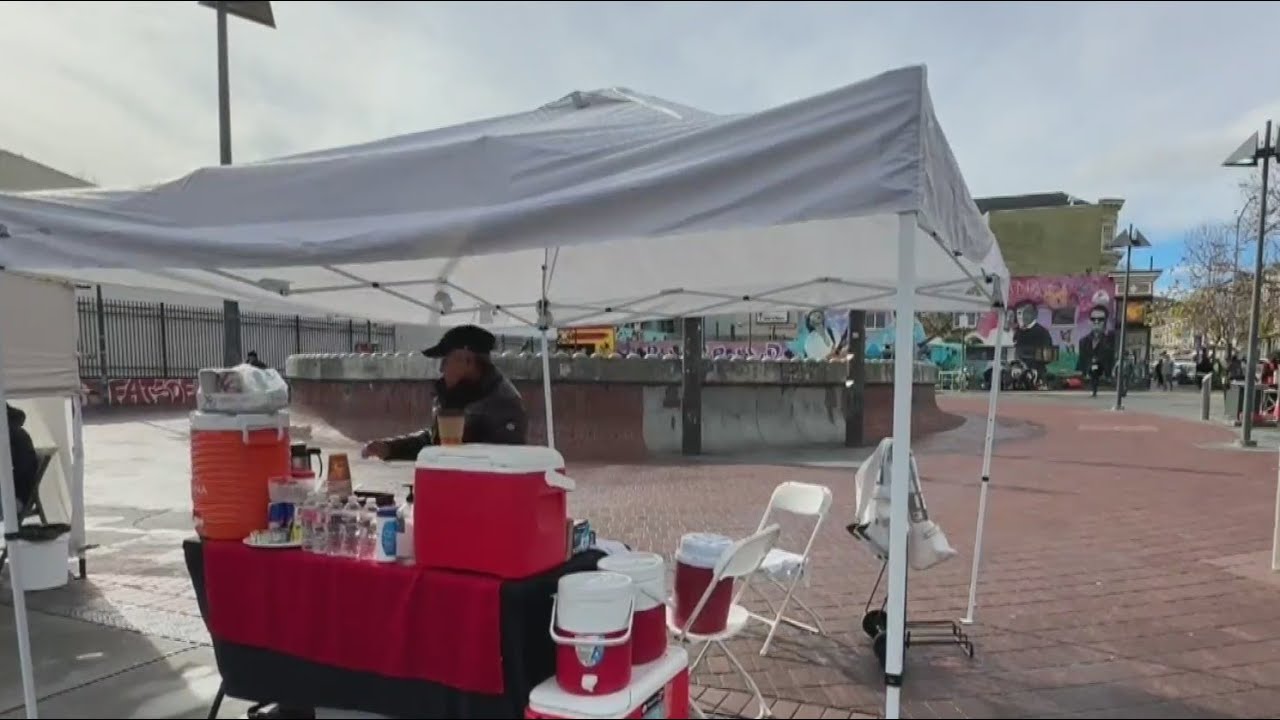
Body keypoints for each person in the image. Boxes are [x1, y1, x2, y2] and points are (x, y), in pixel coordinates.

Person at [361, 325, 527, 460]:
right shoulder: (457, 395)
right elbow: (436, 441)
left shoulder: (504, 404)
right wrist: (391, 448)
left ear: (467, 360)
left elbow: (503, 463)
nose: (441, 369)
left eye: (446, 361)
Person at [3, 404, 39, 520]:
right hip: (16, 496)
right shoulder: (12, 431)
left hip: (14, 500)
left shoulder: (9, 437)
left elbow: (12, 475)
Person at [1076, 305, 1114, 398]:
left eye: (1100, 319)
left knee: (1096, 374)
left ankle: (1095, 390)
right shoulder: (1083, 341)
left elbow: (1111, 357)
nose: (1096, 322)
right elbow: (1082, 360)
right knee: (1094, 375)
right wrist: (1083, 373)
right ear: (1089, 321)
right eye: (1093, 319)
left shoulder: (1110, 340)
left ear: (1105, 321)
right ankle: (1094, 390)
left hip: (1102, 371)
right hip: (1091, 370)